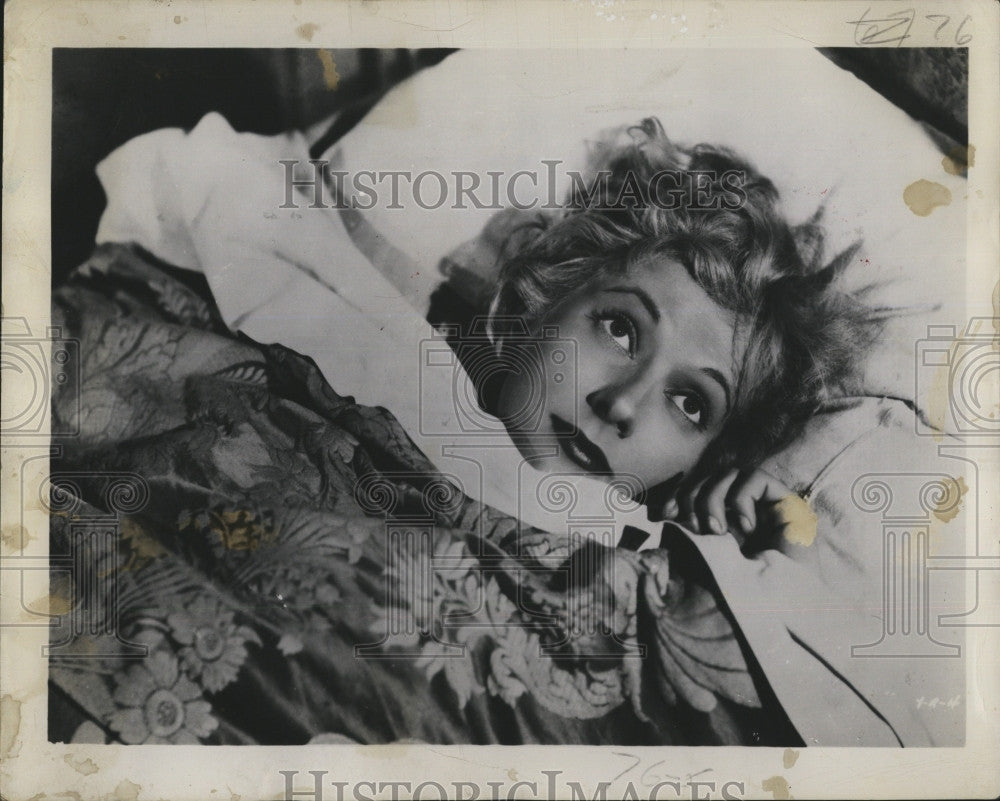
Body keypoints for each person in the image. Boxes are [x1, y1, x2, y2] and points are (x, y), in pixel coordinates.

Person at [472, 117, 884, 552]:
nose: (623, 404)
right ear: (543, 299)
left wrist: (771, 570)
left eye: (690, 403)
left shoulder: (666, 587)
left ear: (704, 466)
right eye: (621, 330)